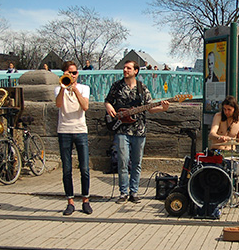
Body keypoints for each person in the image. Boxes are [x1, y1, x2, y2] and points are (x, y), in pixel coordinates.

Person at [105, 61, 170, 203]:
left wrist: (163, 109)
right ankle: (123, 192)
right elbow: (107, 101)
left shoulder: (142, 88)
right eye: (124, 68)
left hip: (139, 130)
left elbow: (150, 108)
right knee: (123, 161)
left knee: (137, 162)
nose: (125, 70)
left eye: (128, 68)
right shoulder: (117, 86)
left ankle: (134, 192)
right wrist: (109, 107)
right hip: (122, 129)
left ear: (135, 71)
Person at [55, 61, 92, 215]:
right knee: (67, 169)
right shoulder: (58, 88)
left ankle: (85, 200)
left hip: (80, 130)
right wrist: (64, 89)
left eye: (75, 72)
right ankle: (70, 201)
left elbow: (85, 106)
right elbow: (58, 105)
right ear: (64, 73)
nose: (72, 75)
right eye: (69, 73)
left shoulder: (84, 88)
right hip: (64, 131)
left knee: (84, 168)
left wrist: (75, 89)